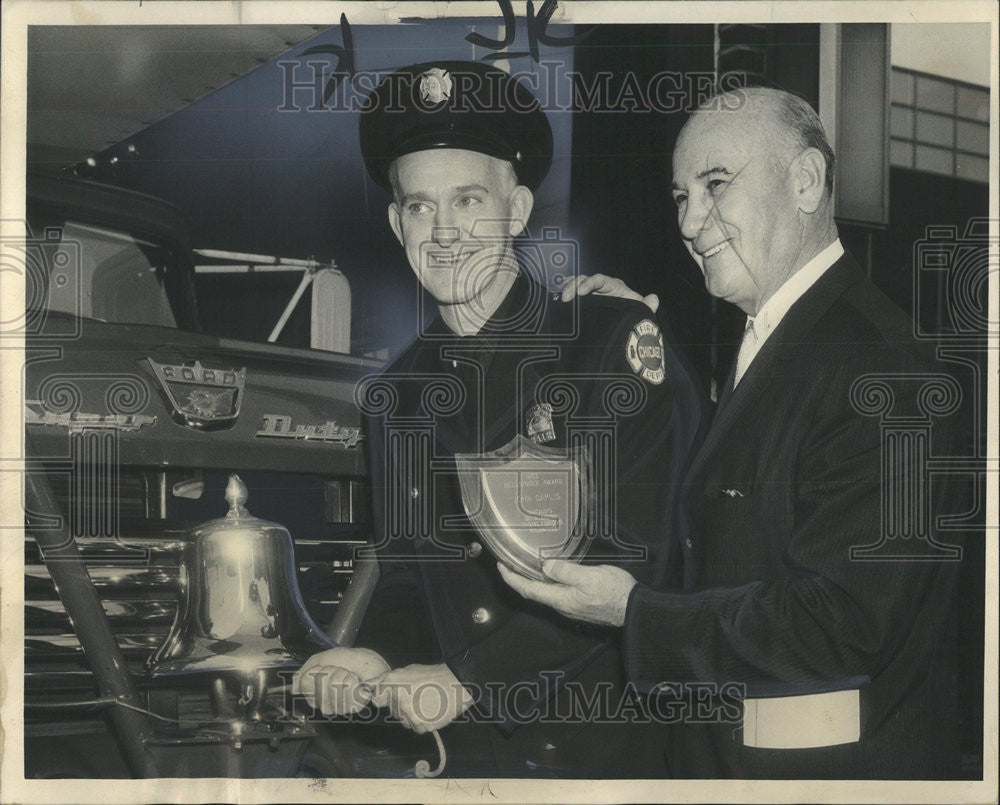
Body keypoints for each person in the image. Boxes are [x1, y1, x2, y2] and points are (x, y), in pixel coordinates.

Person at [501, 86, 965, 779]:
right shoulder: (779, 336)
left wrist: (633, 611)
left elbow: (839, 624)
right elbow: (745, 471)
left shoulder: (884, 366)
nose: (690, 221)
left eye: (716, 184)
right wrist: (643, 340)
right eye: (682, 195)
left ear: (805, 181)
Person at [293, 61, 706, 778]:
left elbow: (637, 561)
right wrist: (372, 655)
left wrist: (469, 678)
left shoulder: (606, 343)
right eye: (420, 207)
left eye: (469, 201)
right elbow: (402, 575)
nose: (444, 232)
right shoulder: (397, 396)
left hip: (595, 754)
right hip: (453, 753)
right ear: (397, 223)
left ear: (516, 212)